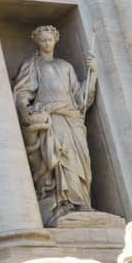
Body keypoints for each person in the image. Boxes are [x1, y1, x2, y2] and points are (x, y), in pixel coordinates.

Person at [13, 25, 97, 224]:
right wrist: (25, 111)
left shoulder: (65, 66)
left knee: (78, 160)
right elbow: (23, 92)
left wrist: (93, 73)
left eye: (49, 39)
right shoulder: (33, 64)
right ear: (37, 42)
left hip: (71, 118)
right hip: (51, 118)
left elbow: (80, 98)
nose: (46, 43)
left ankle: (81, 201)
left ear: (55, 41)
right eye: (43, 40)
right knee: (58, 159)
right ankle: (61, 203)